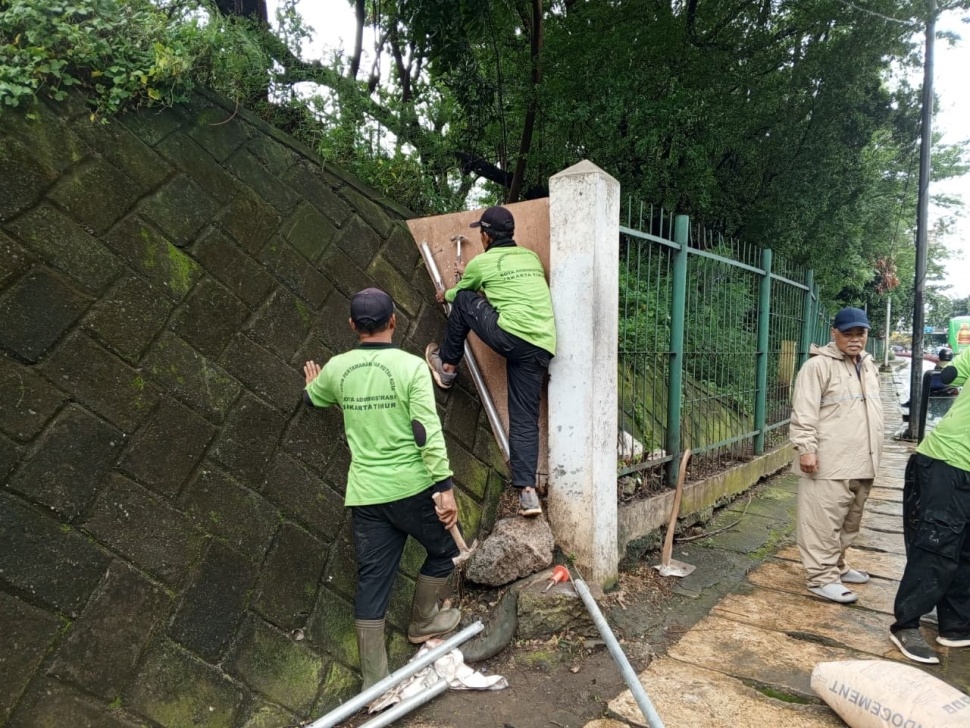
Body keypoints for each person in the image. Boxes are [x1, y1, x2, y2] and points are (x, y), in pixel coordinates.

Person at [303, 288, 461, 691]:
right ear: (394, 321)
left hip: (366, 495)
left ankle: (376, 685)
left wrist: (314, 384)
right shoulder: (410, 368)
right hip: (412, 489)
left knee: (373, 581)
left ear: (353, 325)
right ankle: (423, 622)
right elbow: (426, 431)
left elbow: (314, 398)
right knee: (445, 550)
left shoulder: (338, 369)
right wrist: (445, 487)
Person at [424, 205, 557, 518]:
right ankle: (527, 493)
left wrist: (447, 293)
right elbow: (508, 289)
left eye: (480, 232)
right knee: (525, 415)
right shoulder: (530, 257)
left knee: (466, 302)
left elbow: (463, 294)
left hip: (511, 335)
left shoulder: (482, 262)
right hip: (542, 343)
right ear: (510, 234)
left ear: (485, 235)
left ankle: (446, 368)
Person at [790, 307, 884, 604]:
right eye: (848, 334)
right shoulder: (817, 366)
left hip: (863, 459)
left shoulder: (868, 364)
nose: (855, 340)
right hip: (828, 461)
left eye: (861, 333)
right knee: (822, 522)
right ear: (835, 333)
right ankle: (820, 578)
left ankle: (838, 566)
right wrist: (806, 448)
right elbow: (803, 411)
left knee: (850, 520)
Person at [889, 345, 970, 664]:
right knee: (937, 546)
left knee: (965, 550)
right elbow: (948, 374)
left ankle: (956, 626)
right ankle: (905, 624)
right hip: (946, 461)